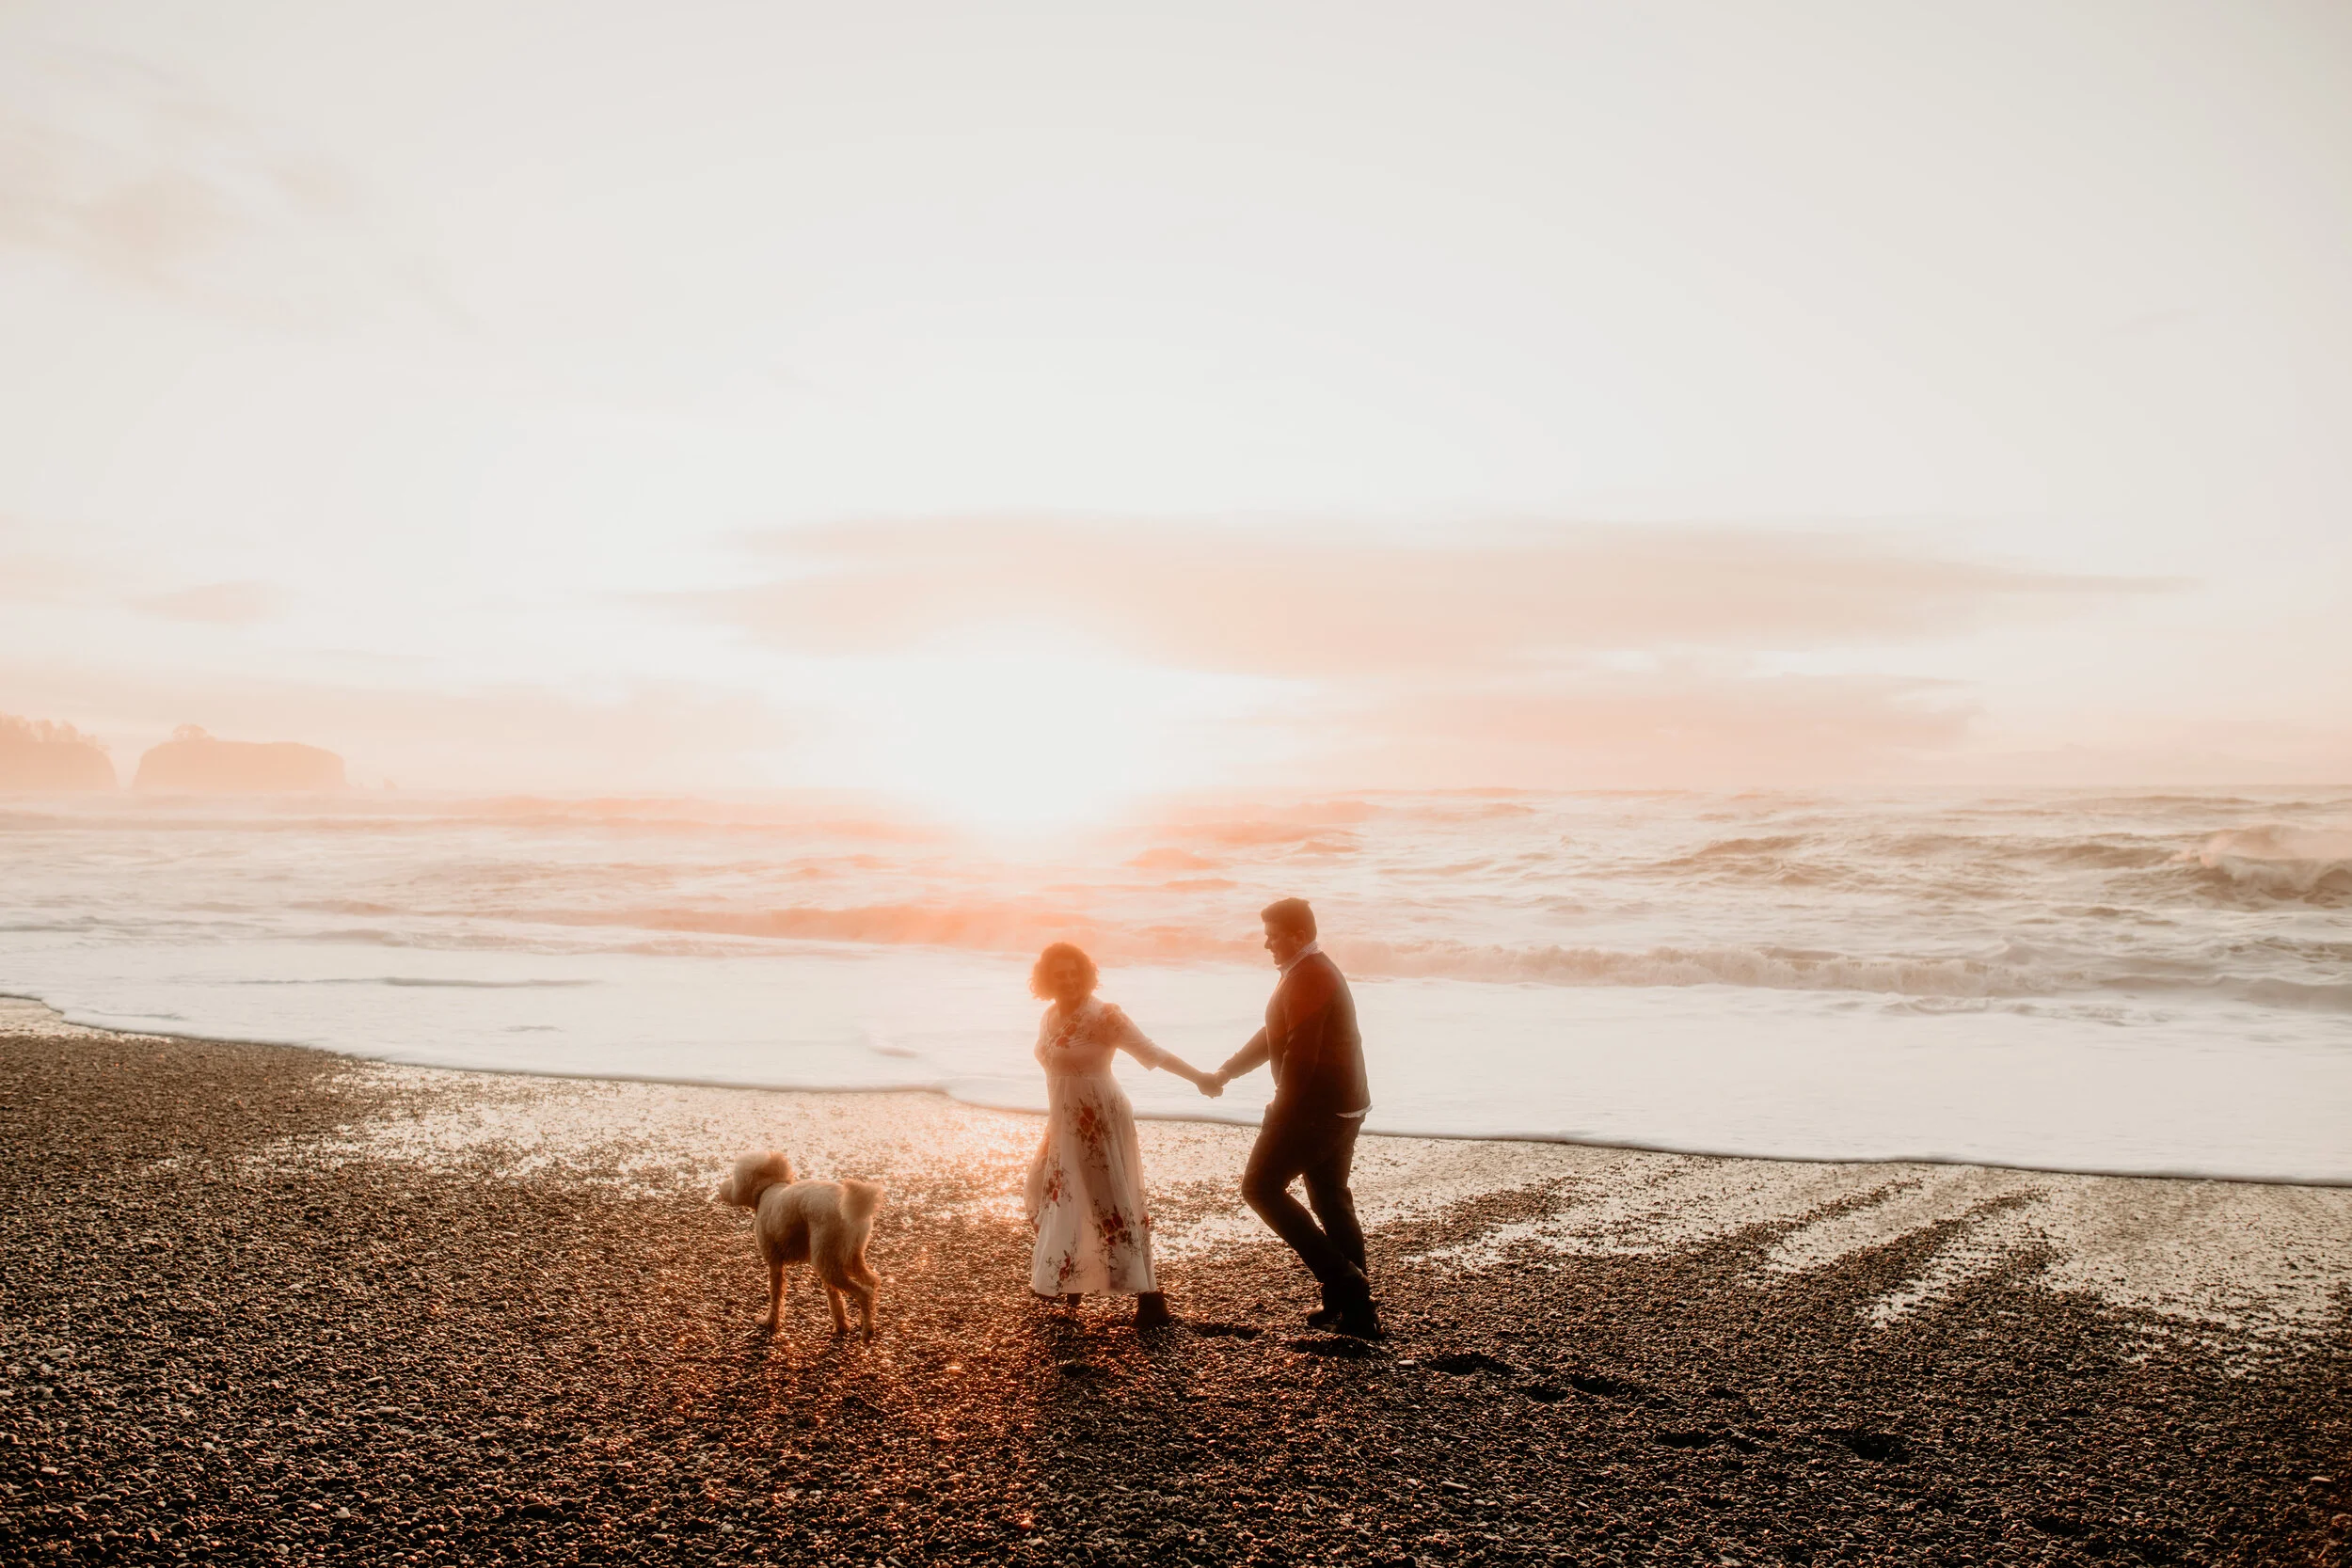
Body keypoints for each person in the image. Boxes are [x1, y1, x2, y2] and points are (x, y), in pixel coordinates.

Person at [1025, 941, 1224, 1329]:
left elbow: (1153, 1052)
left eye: (1074, 973)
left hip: (1099, 1117)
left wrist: (1201, 1078)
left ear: (1086, 975)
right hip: (1064, 1119)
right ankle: (1072, 1272)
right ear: (1046, 979)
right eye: (1059, 974)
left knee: (1110, 1203)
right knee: (1044, 1190)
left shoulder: (1105, 1015)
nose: (1068, 980)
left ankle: (1150, 1298)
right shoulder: (1048, 1017)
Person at [1208, 897, 1379, 1338]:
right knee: (1329, 1198)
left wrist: (1280, 1111)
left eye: (1273, 935)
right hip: (1346, 1103)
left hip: (1318, 1109)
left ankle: (1343, 1280)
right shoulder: (1306, 971)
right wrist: (1228, 1069)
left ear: (1299, 935)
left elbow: (1300, 1054)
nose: (1266, 944)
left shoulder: (1311, 976)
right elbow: (1275, 1033)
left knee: (1260, 1187)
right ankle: (1355, 1311)